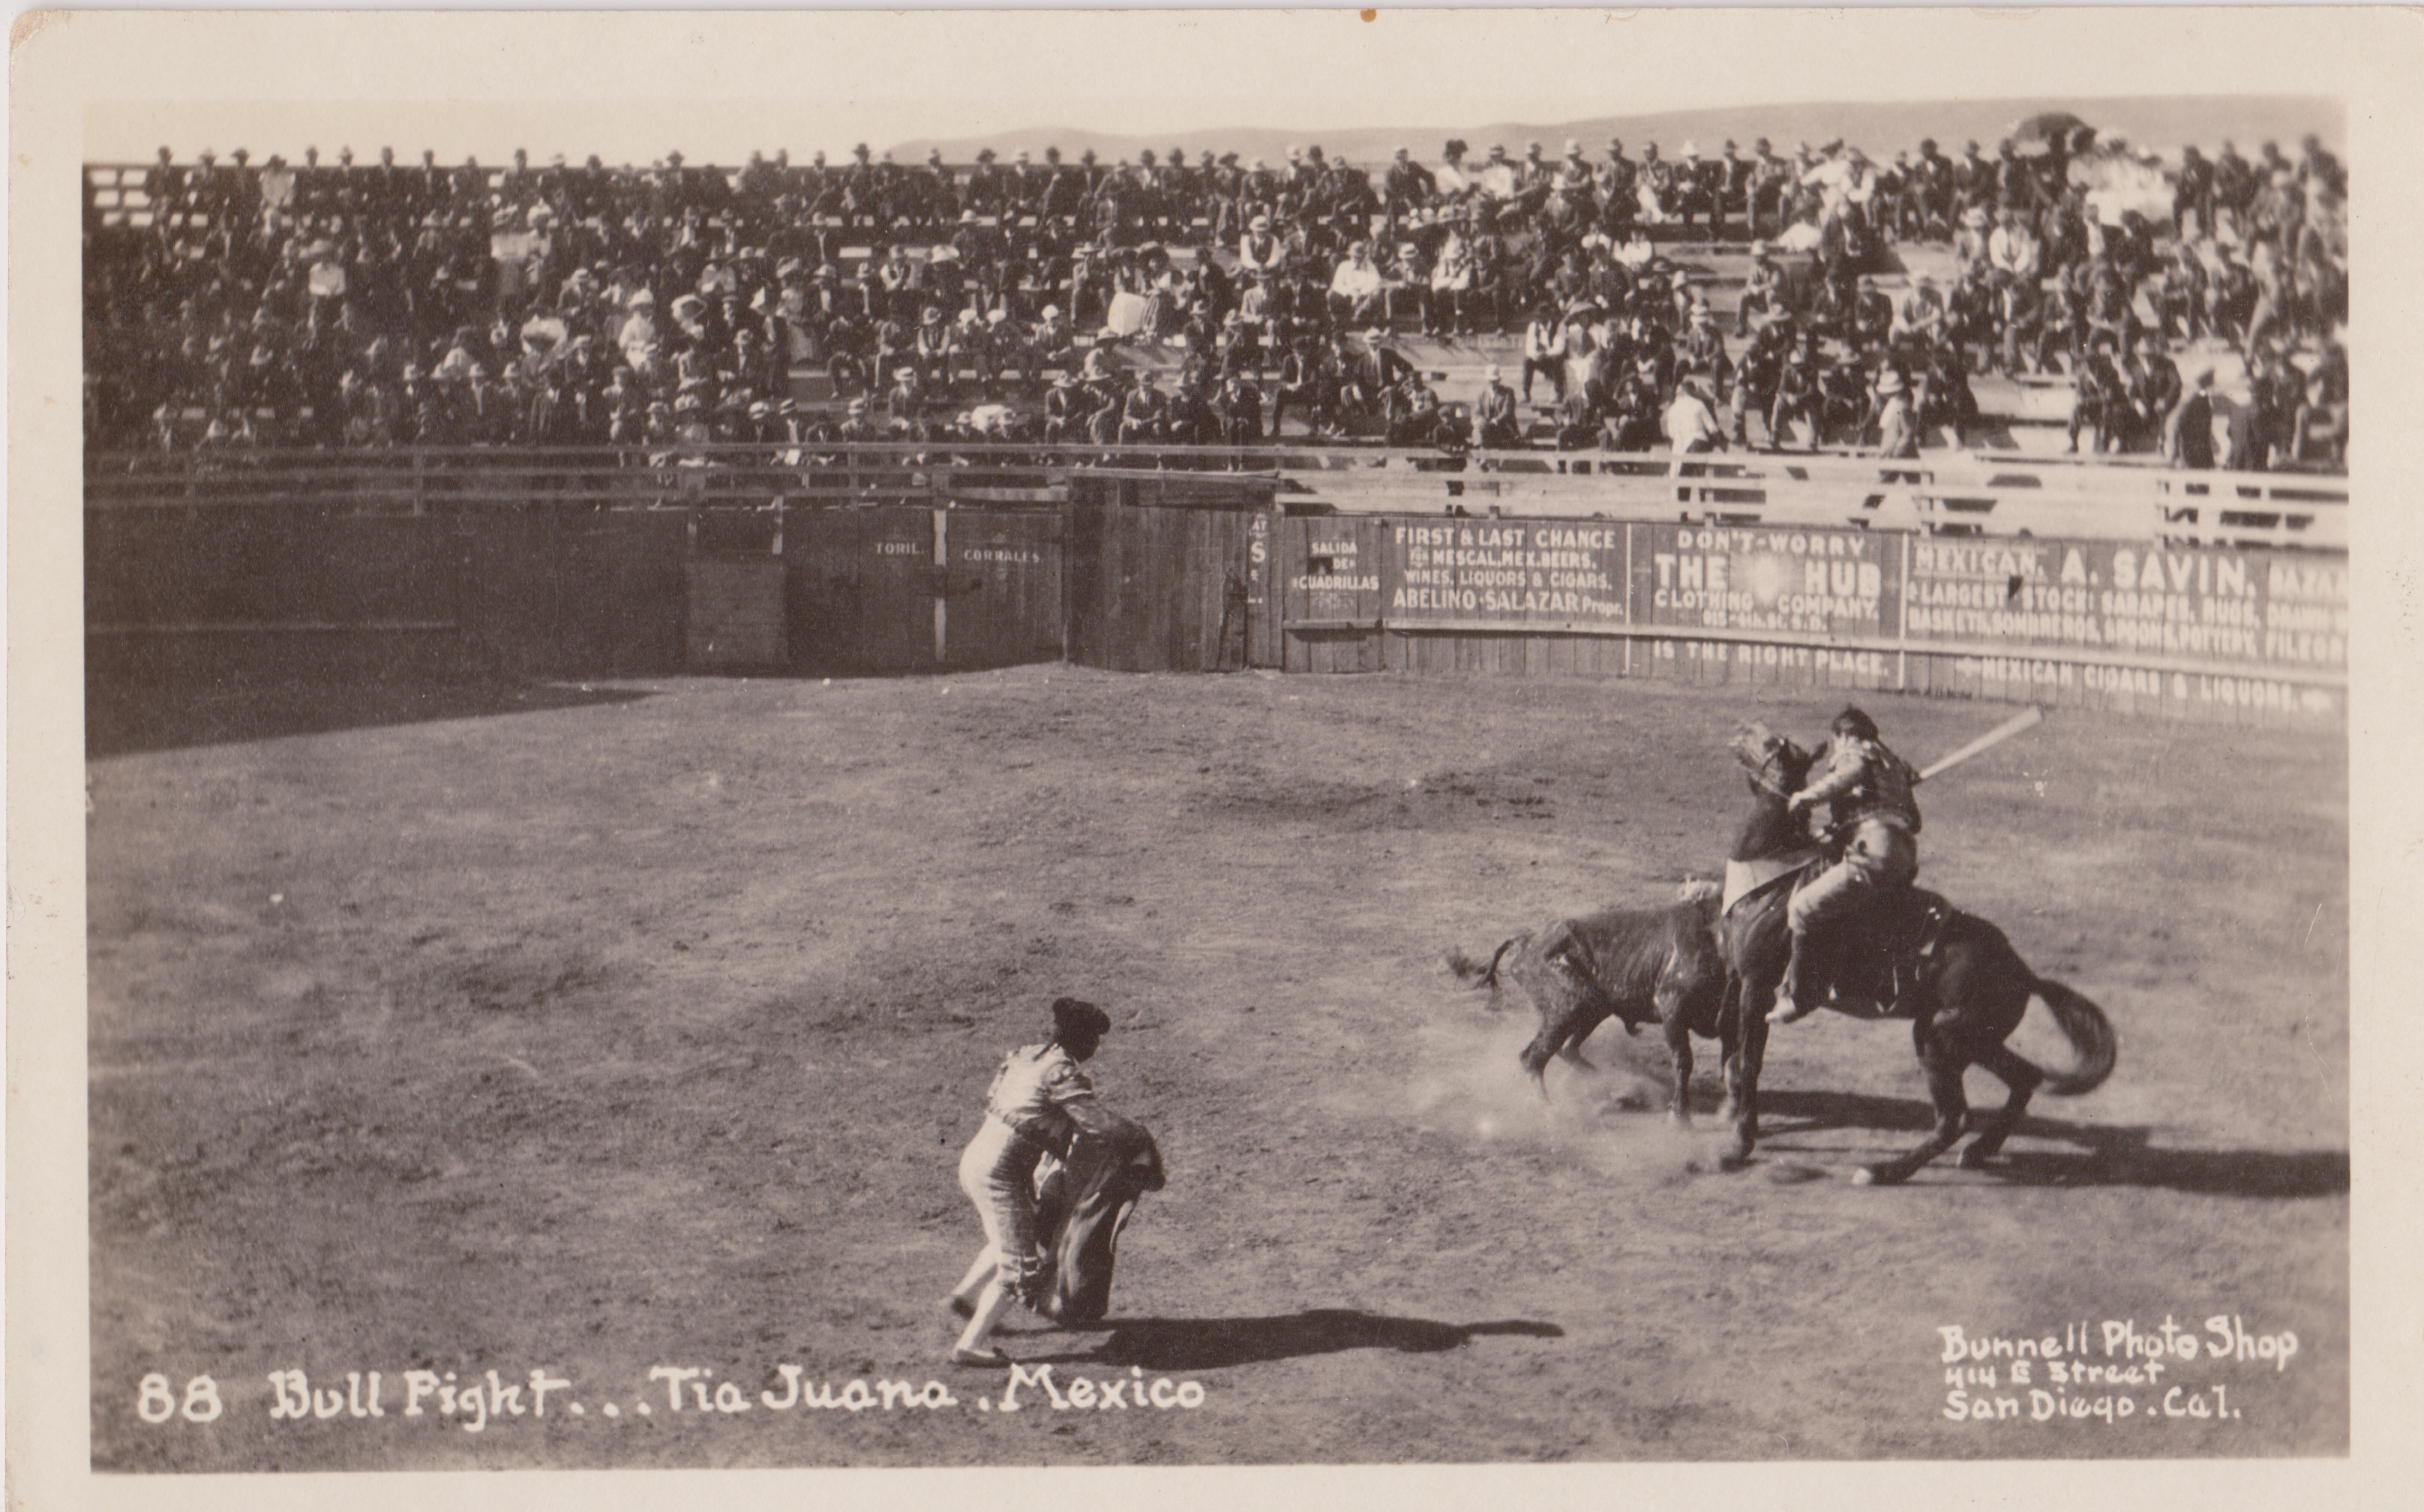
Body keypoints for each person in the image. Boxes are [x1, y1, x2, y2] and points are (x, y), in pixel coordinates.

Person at [946, 996, 1116, 1366]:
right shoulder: (1063, 1073)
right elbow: (1097, 1126)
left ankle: (966, 1297)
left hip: (977, 1158)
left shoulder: (1023, 1055)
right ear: (1081, 1039)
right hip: (1000, 1174)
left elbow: (999, 1099)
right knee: (1020, 1265)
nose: (1095, 1048)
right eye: (1094, 1040)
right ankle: (970, 1345)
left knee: (1012, 1234)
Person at [1772, 706, 1922, 1024]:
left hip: (1874, 851)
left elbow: (1844, 777)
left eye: (1836, 740)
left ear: (1844, 735)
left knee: (1801, 907)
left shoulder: (1856, 752)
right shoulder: (1893, 765)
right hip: (1904, 853)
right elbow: (1915, 820)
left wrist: (1804, 798)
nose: (1836, 748)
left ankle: (1797, 997)